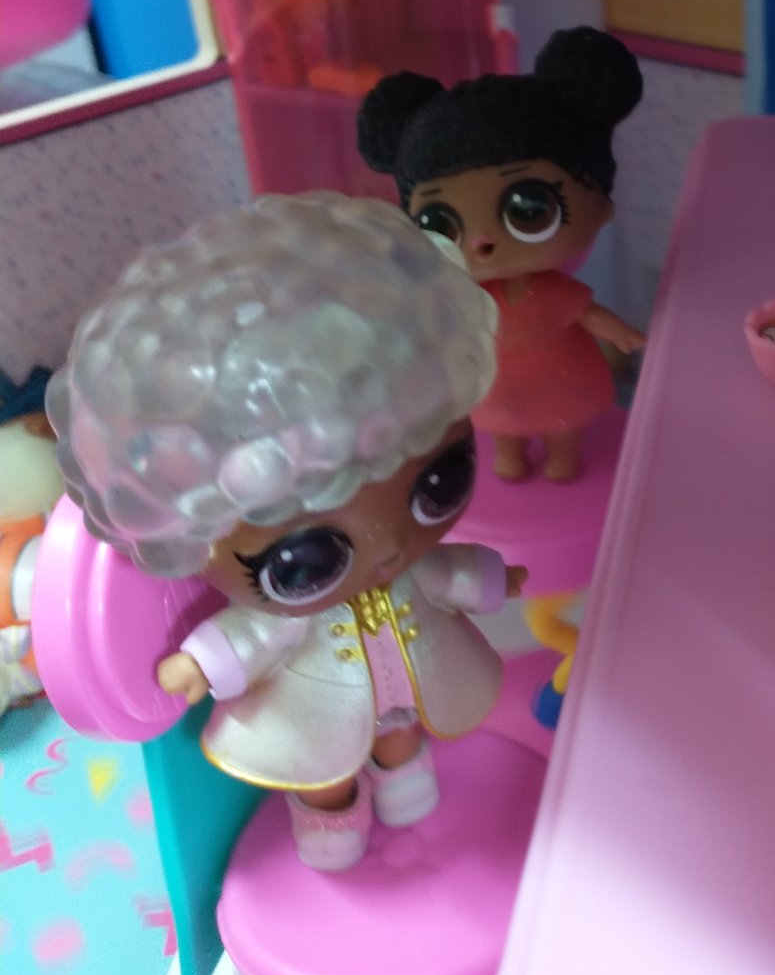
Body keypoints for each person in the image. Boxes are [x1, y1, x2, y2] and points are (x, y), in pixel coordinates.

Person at [47, 193, 525, 873]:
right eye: (304, 561)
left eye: (439, 482)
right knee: (321, 768)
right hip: (313, 707)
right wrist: (199, 663)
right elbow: (253, 634)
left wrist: (494, 577)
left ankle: (402, 773)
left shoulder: (407, 562)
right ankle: (330, 815)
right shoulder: (279, 613)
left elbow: (445, 572)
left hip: (408, 685)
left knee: (399, 733)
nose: (390, 547)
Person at [358, 27, 645, 484]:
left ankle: (562, 459)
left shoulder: (551, 291)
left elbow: (587, 314)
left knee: (564, 423)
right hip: (496, 384)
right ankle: (509, 457)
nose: (481, 242)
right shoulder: (461, 296)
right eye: (439, 222)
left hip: (561, 378)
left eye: (528, 209)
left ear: (600, 204)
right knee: (500, 427)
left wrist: (621, 333)